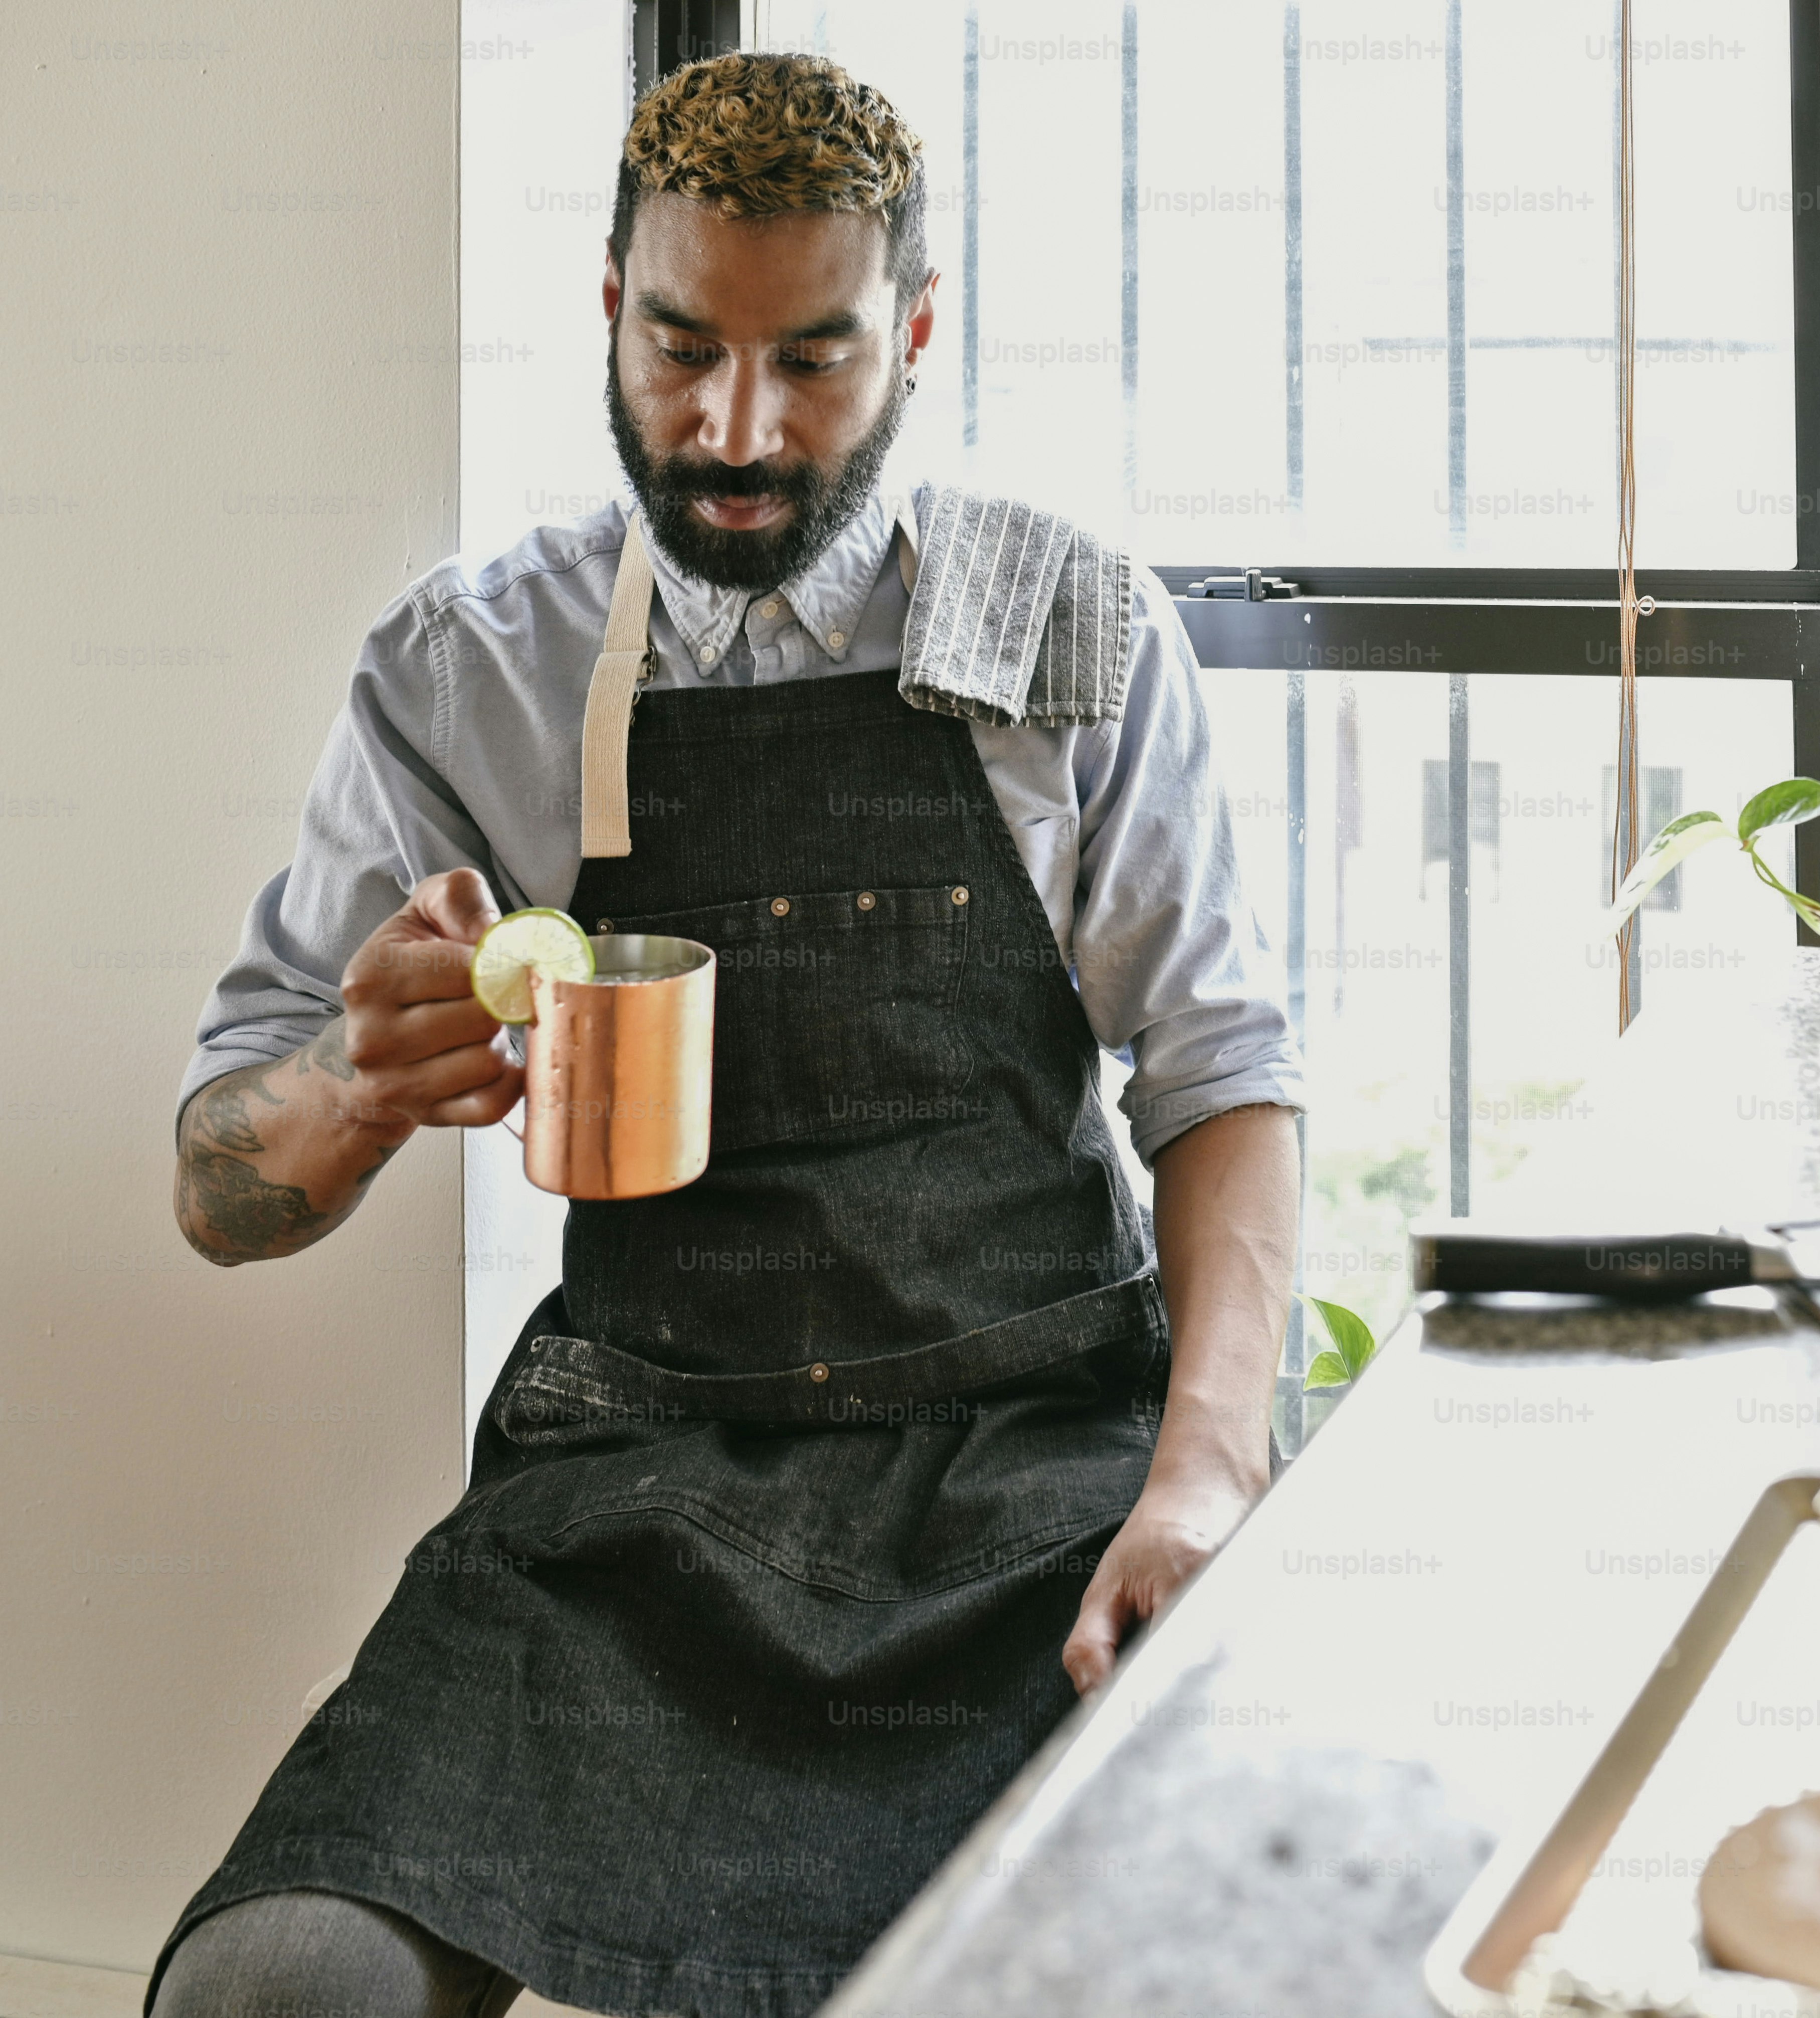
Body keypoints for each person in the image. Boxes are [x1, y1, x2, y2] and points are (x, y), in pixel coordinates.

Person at [152, 51, 1301, 2018]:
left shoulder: (1063, 621)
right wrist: (354, 1086)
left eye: (816, 362)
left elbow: (1219, 1077)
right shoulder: (467, 668)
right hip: (634, 1482)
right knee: (274, 1986)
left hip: (1036, 1474)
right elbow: (216, 1194)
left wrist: (1202, 1473)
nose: (738, 427)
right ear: (609, 311)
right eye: (682, 349)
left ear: (915, 337)